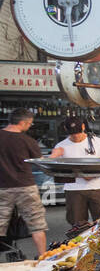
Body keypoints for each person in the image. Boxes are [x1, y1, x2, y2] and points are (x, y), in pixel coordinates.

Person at [0, 108, 48, 257]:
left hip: (2, 188)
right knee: (37, 225)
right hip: (26, 187)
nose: (29, 126)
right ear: (23, 122)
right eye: (29, 124)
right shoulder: (28, 141)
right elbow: (40, 163)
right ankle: (42, 258)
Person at [50, 118, 100, 229]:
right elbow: (53, 170)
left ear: (83, 127)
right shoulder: (61, 146)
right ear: (66, 129)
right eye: (72, 134)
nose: (76, 136)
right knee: (76, 224)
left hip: (96, 188)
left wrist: (91, 175)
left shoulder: (98, 142)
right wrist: (53, 156)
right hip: (73, 190)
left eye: (78, 132)